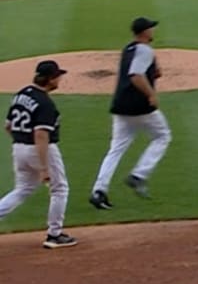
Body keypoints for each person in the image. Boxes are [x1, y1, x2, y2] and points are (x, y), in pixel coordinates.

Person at [91, 17, 174, 208]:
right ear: (145, 32)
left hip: (121, 106)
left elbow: (153, 72)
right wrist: (151, 94)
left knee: (116, 149)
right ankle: (139, 174)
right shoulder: (145, 50)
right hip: (140, 106)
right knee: (162, 136)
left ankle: (99, 191)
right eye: (151, 29)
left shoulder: (128, 49)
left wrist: (154, 66)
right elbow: (136, 75)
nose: (153, 31)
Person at [1, 61, 77, 248]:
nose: (60, 79)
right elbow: (41, 135)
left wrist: (22, 143)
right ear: (50, 79)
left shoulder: (21, 94)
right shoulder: (45, 103)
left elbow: (8, 126)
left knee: (22, 189)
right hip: (41, 149)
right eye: (58, 76)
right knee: (59, 188)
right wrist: (43, 168)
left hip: (18, 147)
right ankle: (54, 234)